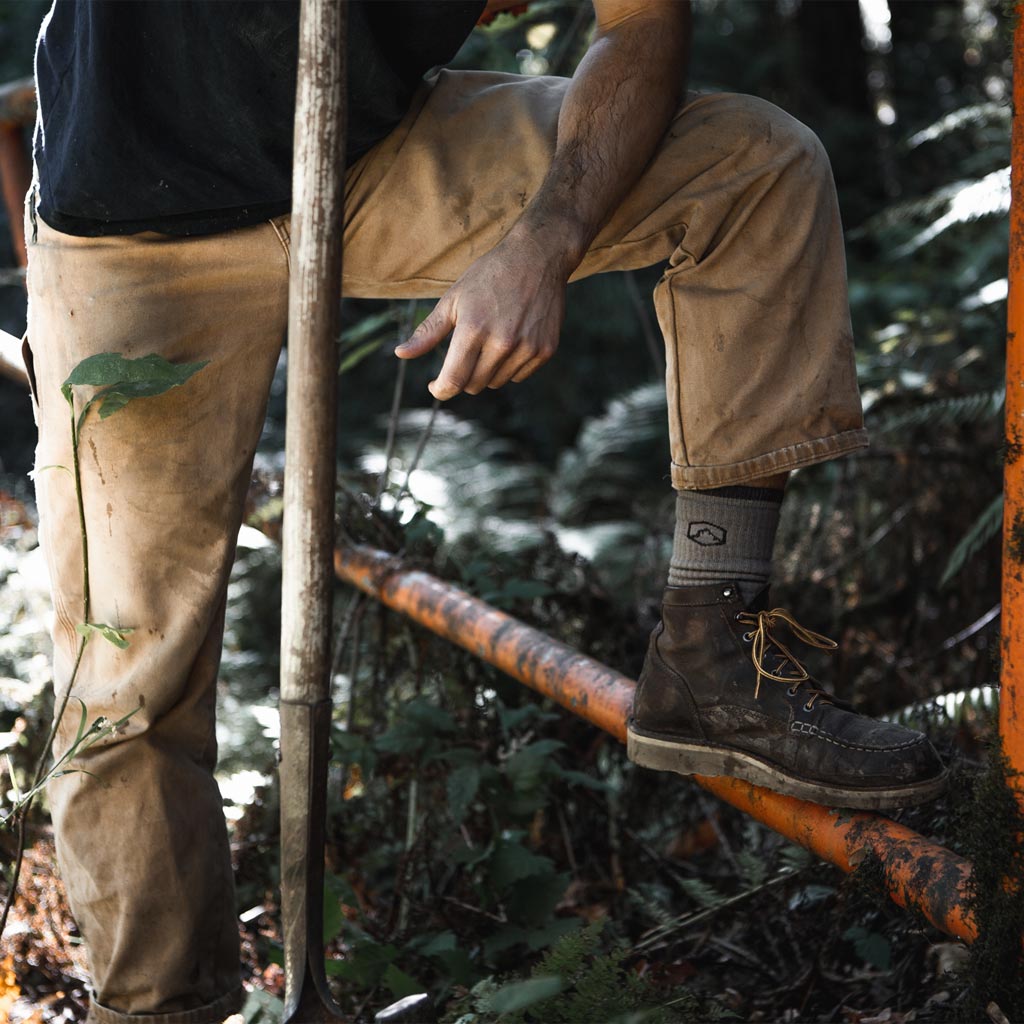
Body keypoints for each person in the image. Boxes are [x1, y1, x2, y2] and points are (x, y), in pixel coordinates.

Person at [24, 0, 947, 1019]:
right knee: (125, 670)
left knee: (752, 164)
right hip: (131, 207)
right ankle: (160, 1007)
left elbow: (640, 25)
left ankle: (710, 654)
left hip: (359, 153)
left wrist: (544, 240)